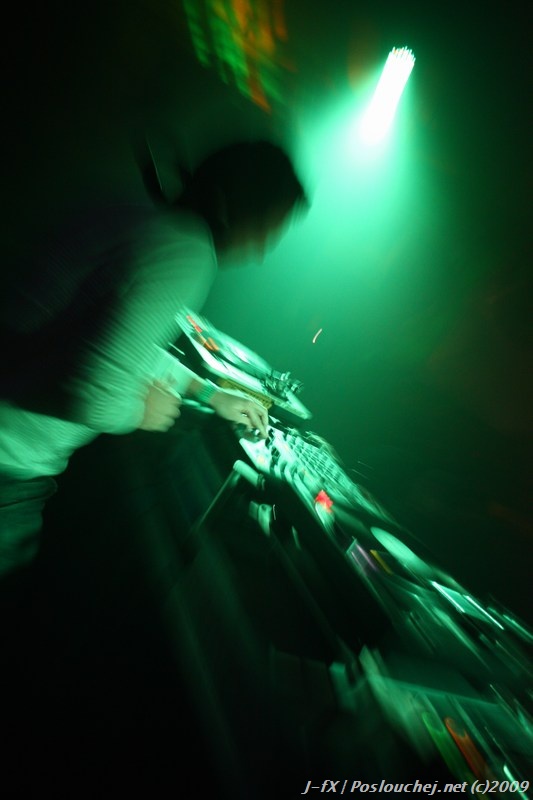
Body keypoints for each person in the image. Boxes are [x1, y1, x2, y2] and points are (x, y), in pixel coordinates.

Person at [0, 138, 308, 582]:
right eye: (264, 231)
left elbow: (111, 342)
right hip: (10, 461)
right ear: (235, 206)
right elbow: (93, 395)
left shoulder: (136, 214)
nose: (259, 252)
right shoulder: (188, 251)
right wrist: (142, 411)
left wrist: (207, 392)